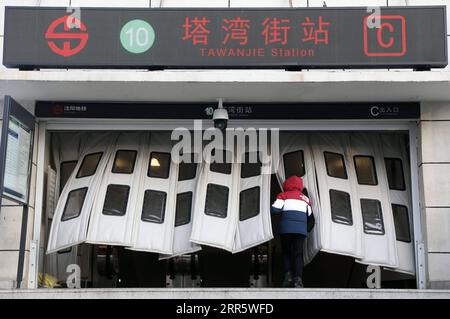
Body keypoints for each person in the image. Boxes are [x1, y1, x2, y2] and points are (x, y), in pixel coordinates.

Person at [271, 175, 312, 288]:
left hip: (286, 230)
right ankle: (298, 280)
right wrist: (306, 229)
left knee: (287, 253)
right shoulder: (306, 199)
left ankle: (288, 277)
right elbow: (310, 217)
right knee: (298, 254)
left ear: (286, 185)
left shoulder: (283, 196)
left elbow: (274, 209)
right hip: (300, 231)